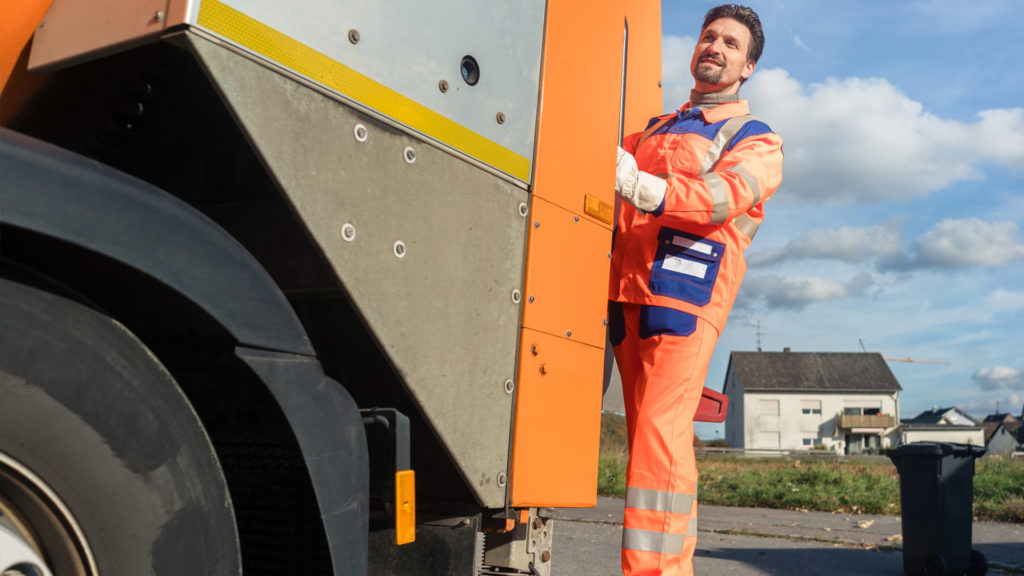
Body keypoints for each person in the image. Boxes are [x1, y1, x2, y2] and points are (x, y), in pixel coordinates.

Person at [609, 5, 783, 575]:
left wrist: (646, 188)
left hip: (684, 302)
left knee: (660, 437)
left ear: (748, 67)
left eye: (731, 43)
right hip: (625, 300)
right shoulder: (652, 131)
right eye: (710, 36)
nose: (716, 47)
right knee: (650, 441)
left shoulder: (757, 139)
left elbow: (727, 195)